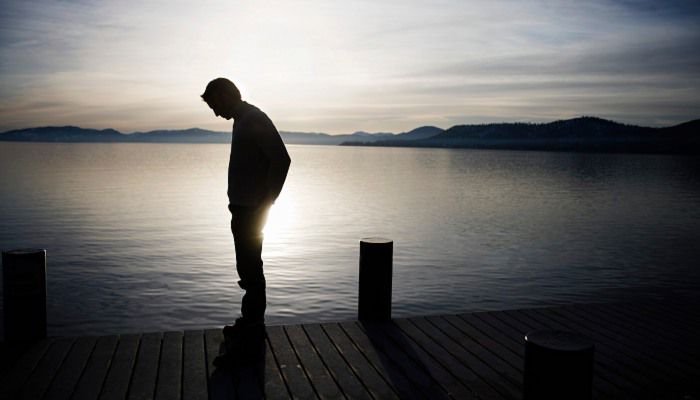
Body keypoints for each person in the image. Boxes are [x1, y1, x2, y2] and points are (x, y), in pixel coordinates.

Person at [201, 78, 290, 365]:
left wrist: (267, 202)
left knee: (251, 271)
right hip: (242, 209)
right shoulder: (242, 120)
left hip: (252, 210)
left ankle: (250, 338)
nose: (215, 113)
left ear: (225, 95)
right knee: (247, 269)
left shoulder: (253, 118)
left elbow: (282, 159)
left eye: (215, 105)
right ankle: (250, 326)